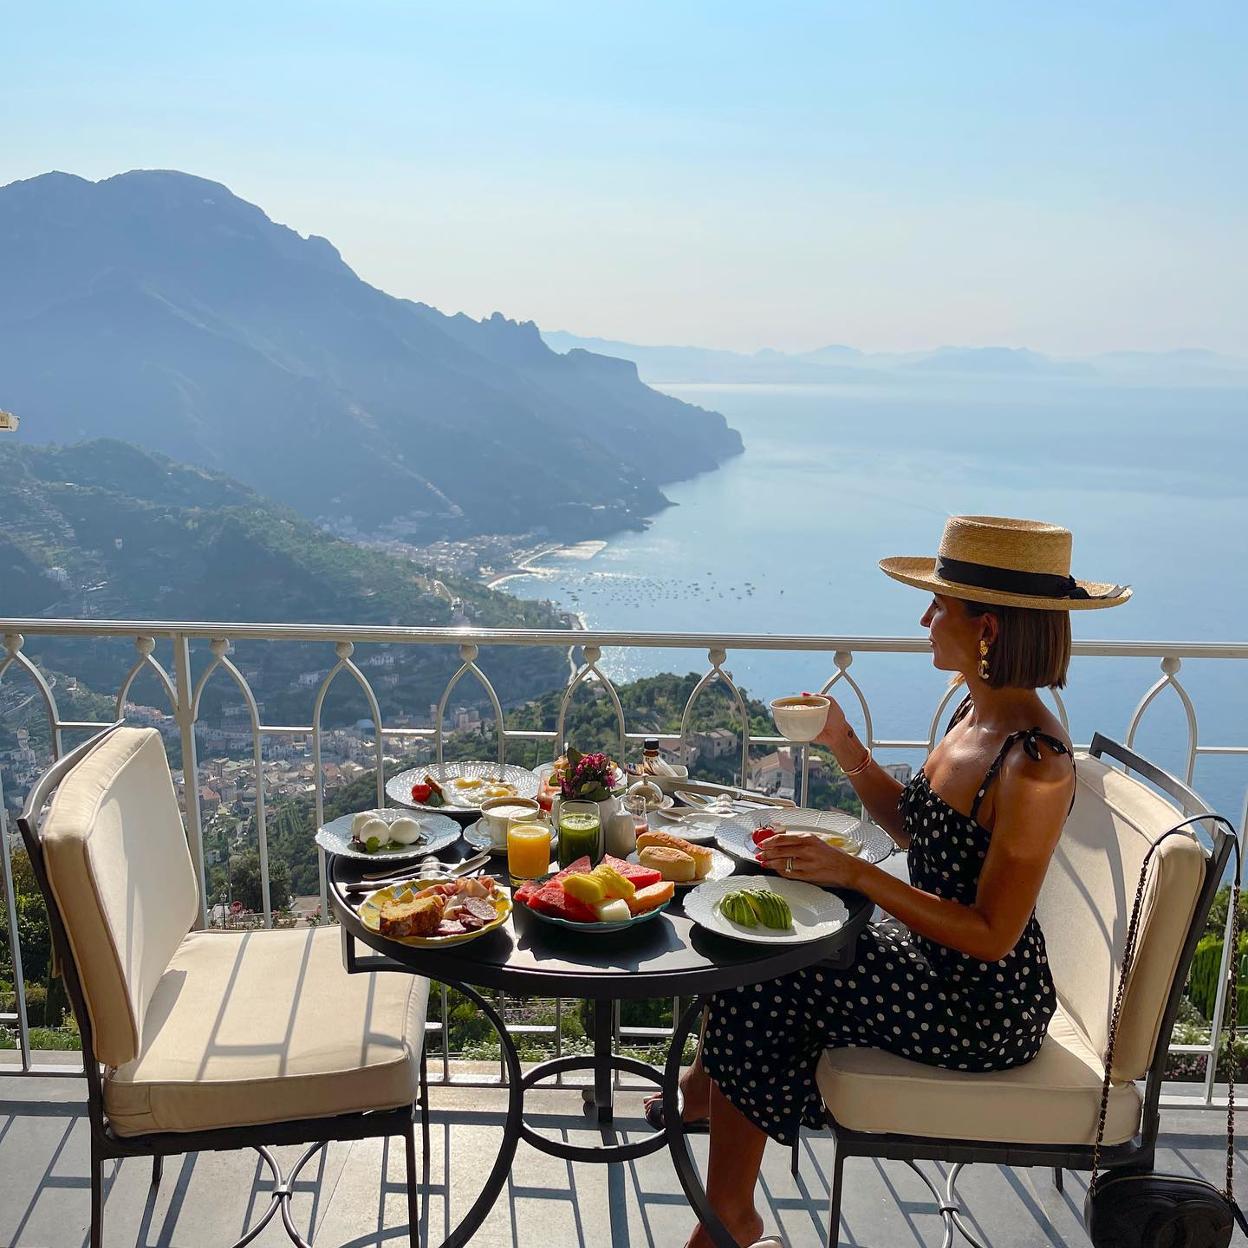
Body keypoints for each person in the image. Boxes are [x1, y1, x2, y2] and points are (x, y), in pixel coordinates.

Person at [667, 515, 1131, 1248]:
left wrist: (855, 873)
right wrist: (841, 741)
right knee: (759, 912)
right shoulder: (974, 714)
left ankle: (731, 1212)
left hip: (979, 1006)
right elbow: (918, 830)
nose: (923, 619)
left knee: (766, 971)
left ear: (987, 629)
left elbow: (991, 935)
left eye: (937, 606)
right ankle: (708, 1088)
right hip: (929, 955)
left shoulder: (1033, 764)